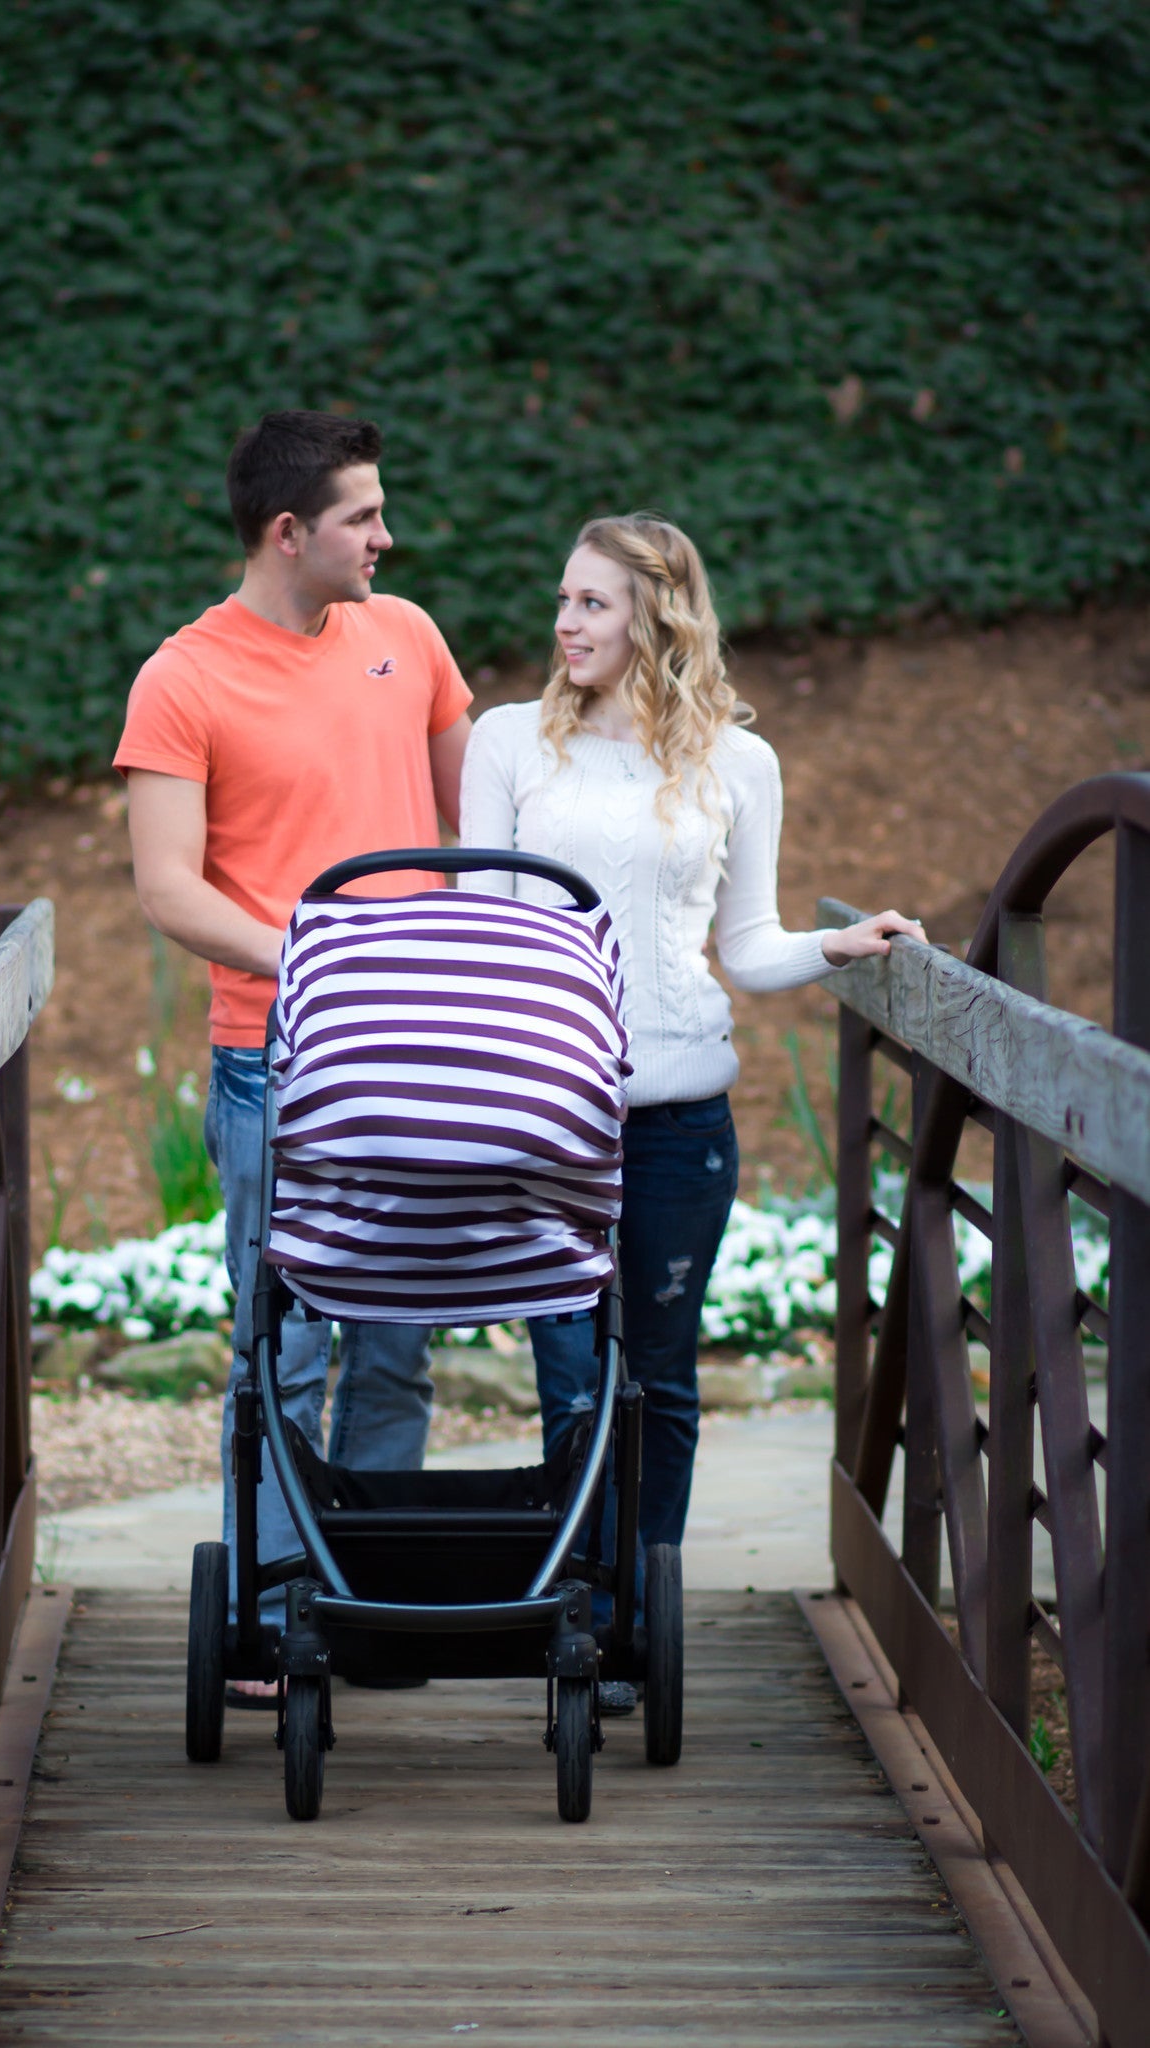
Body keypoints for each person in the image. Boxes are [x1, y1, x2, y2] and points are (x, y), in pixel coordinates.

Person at [459, 512, 923, 1710]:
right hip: (548, 1127)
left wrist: (840, 943)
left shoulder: (735, 761)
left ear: (657, 615)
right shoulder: (509, 744)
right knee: (572, 1384)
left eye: (595, 603)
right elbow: (480, 932)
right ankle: (574, 1604)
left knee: (657, 1381)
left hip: (677, 1128)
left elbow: (751, 946)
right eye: (562, 600)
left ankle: (633, 1624)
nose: (566, 622)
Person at [115, 410, 473, 1693]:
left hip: (423, 1054)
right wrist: (321, 955)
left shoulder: (408, 637)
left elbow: (469, 824)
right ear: (287, 533)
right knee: (285, 1345)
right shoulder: (183, 677)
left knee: (396, 1338)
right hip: (276, 1058)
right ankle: (271, 1621)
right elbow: (169, 889)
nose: (388, 536)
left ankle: (371, 1609)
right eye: (364, 517)